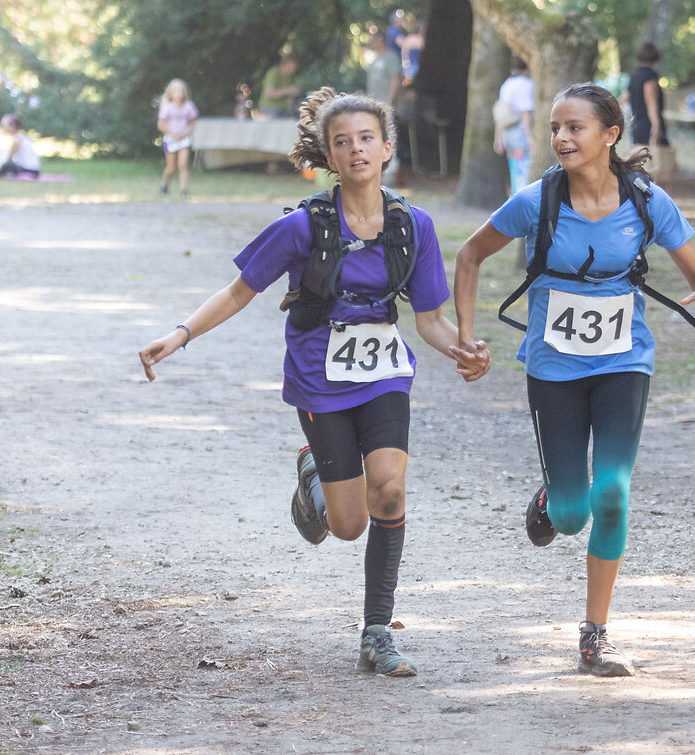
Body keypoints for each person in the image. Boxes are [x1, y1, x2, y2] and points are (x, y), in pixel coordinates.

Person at [139, 88, 490, 677]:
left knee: (391, 492)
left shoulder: (413, 226)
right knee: (346, 525)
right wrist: (180, 335)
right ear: (328, 155)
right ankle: (313, 474)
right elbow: (238, 291)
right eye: (342, 142)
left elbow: (428, 318)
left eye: (366, 139)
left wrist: (464, 349)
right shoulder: (303, 226)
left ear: (386, 148)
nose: (356, 150)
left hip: (382, 373)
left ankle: (377, 632)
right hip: (317, 374)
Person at [453, 83, 695, 678]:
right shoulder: (536, 200)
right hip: (552, 366)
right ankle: (556, 498)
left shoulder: (648, 202)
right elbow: (470, 255)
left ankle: (595, 636)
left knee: (613, 491)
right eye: (555, 127)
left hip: (623, 360)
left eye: (574, 127)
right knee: (575, 512)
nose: (560, 138)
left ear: (610, 134)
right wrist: (467, 336)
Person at [364, 31, 402, 186]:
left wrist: (390, 100)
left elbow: (395, 78)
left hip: (384, 104)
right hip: (373, 105)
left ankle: (390, 170)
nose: (370, 42)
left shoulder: (390, 57)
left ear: (380, 40)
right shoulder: (374, 58)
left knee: (388, 136)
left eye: (373, 40)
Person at [494, 56, 534, 196]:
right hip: (520, 133)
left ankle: (514, 197)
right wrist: (530, 139)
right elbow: (525, 113)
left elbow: (500, 113)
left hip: (506, 133)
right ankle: (520, 201)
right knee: (523, 170)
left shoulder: (507, 84)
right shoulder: (527, 85)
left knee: (514, 168)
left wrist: (498, 138)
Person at [157, 79, 199, 199]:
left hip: (183, 139)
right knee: (171, 167)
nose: (178, 93)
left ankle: (184, 190)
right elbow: (161, 125)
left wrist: (185, 132)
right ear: (170, 94)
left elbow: (192, 123)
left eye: (181, 90)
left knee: (183, 164)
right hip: (170, 140)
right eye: (175, 91)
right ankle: (165, 184)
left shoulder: (189, 107)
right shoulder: (168, 108)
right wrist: (171, 133)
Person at [624, 43, 668, 149]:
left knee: (637, 159)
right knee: (657, 162)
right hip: (648, 125)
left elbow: (624, 97)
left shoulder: (635, 75)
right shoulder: (649, 76)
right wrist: (656, 125)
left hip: (636, 124)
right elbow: (651, 102)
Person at [0, 114, 41, 178]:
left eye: (4, 125)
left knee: (7, 165)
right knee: (8, 165)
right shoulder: (20, 136)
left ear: (12, 127)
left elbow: (9, 159)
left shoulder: (17, 139)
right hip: (33, 169)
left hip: (30, 170)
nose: (2, 127)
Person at [260, 53, 301, 118]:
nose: (292, 70)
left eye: (294, 68)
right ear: (283, 64)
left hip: (284, 109)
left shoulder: (291, 77)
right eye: (290, 67)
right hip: (270, 109)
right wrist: (287, 90)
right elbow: (269, 93)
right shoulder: (274, 73)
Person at [401, 21, 425, 85]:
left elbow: (404, 53)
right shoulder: (419, 39)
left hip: (407, 65)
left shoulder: (408, 38)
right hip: (415, 65)